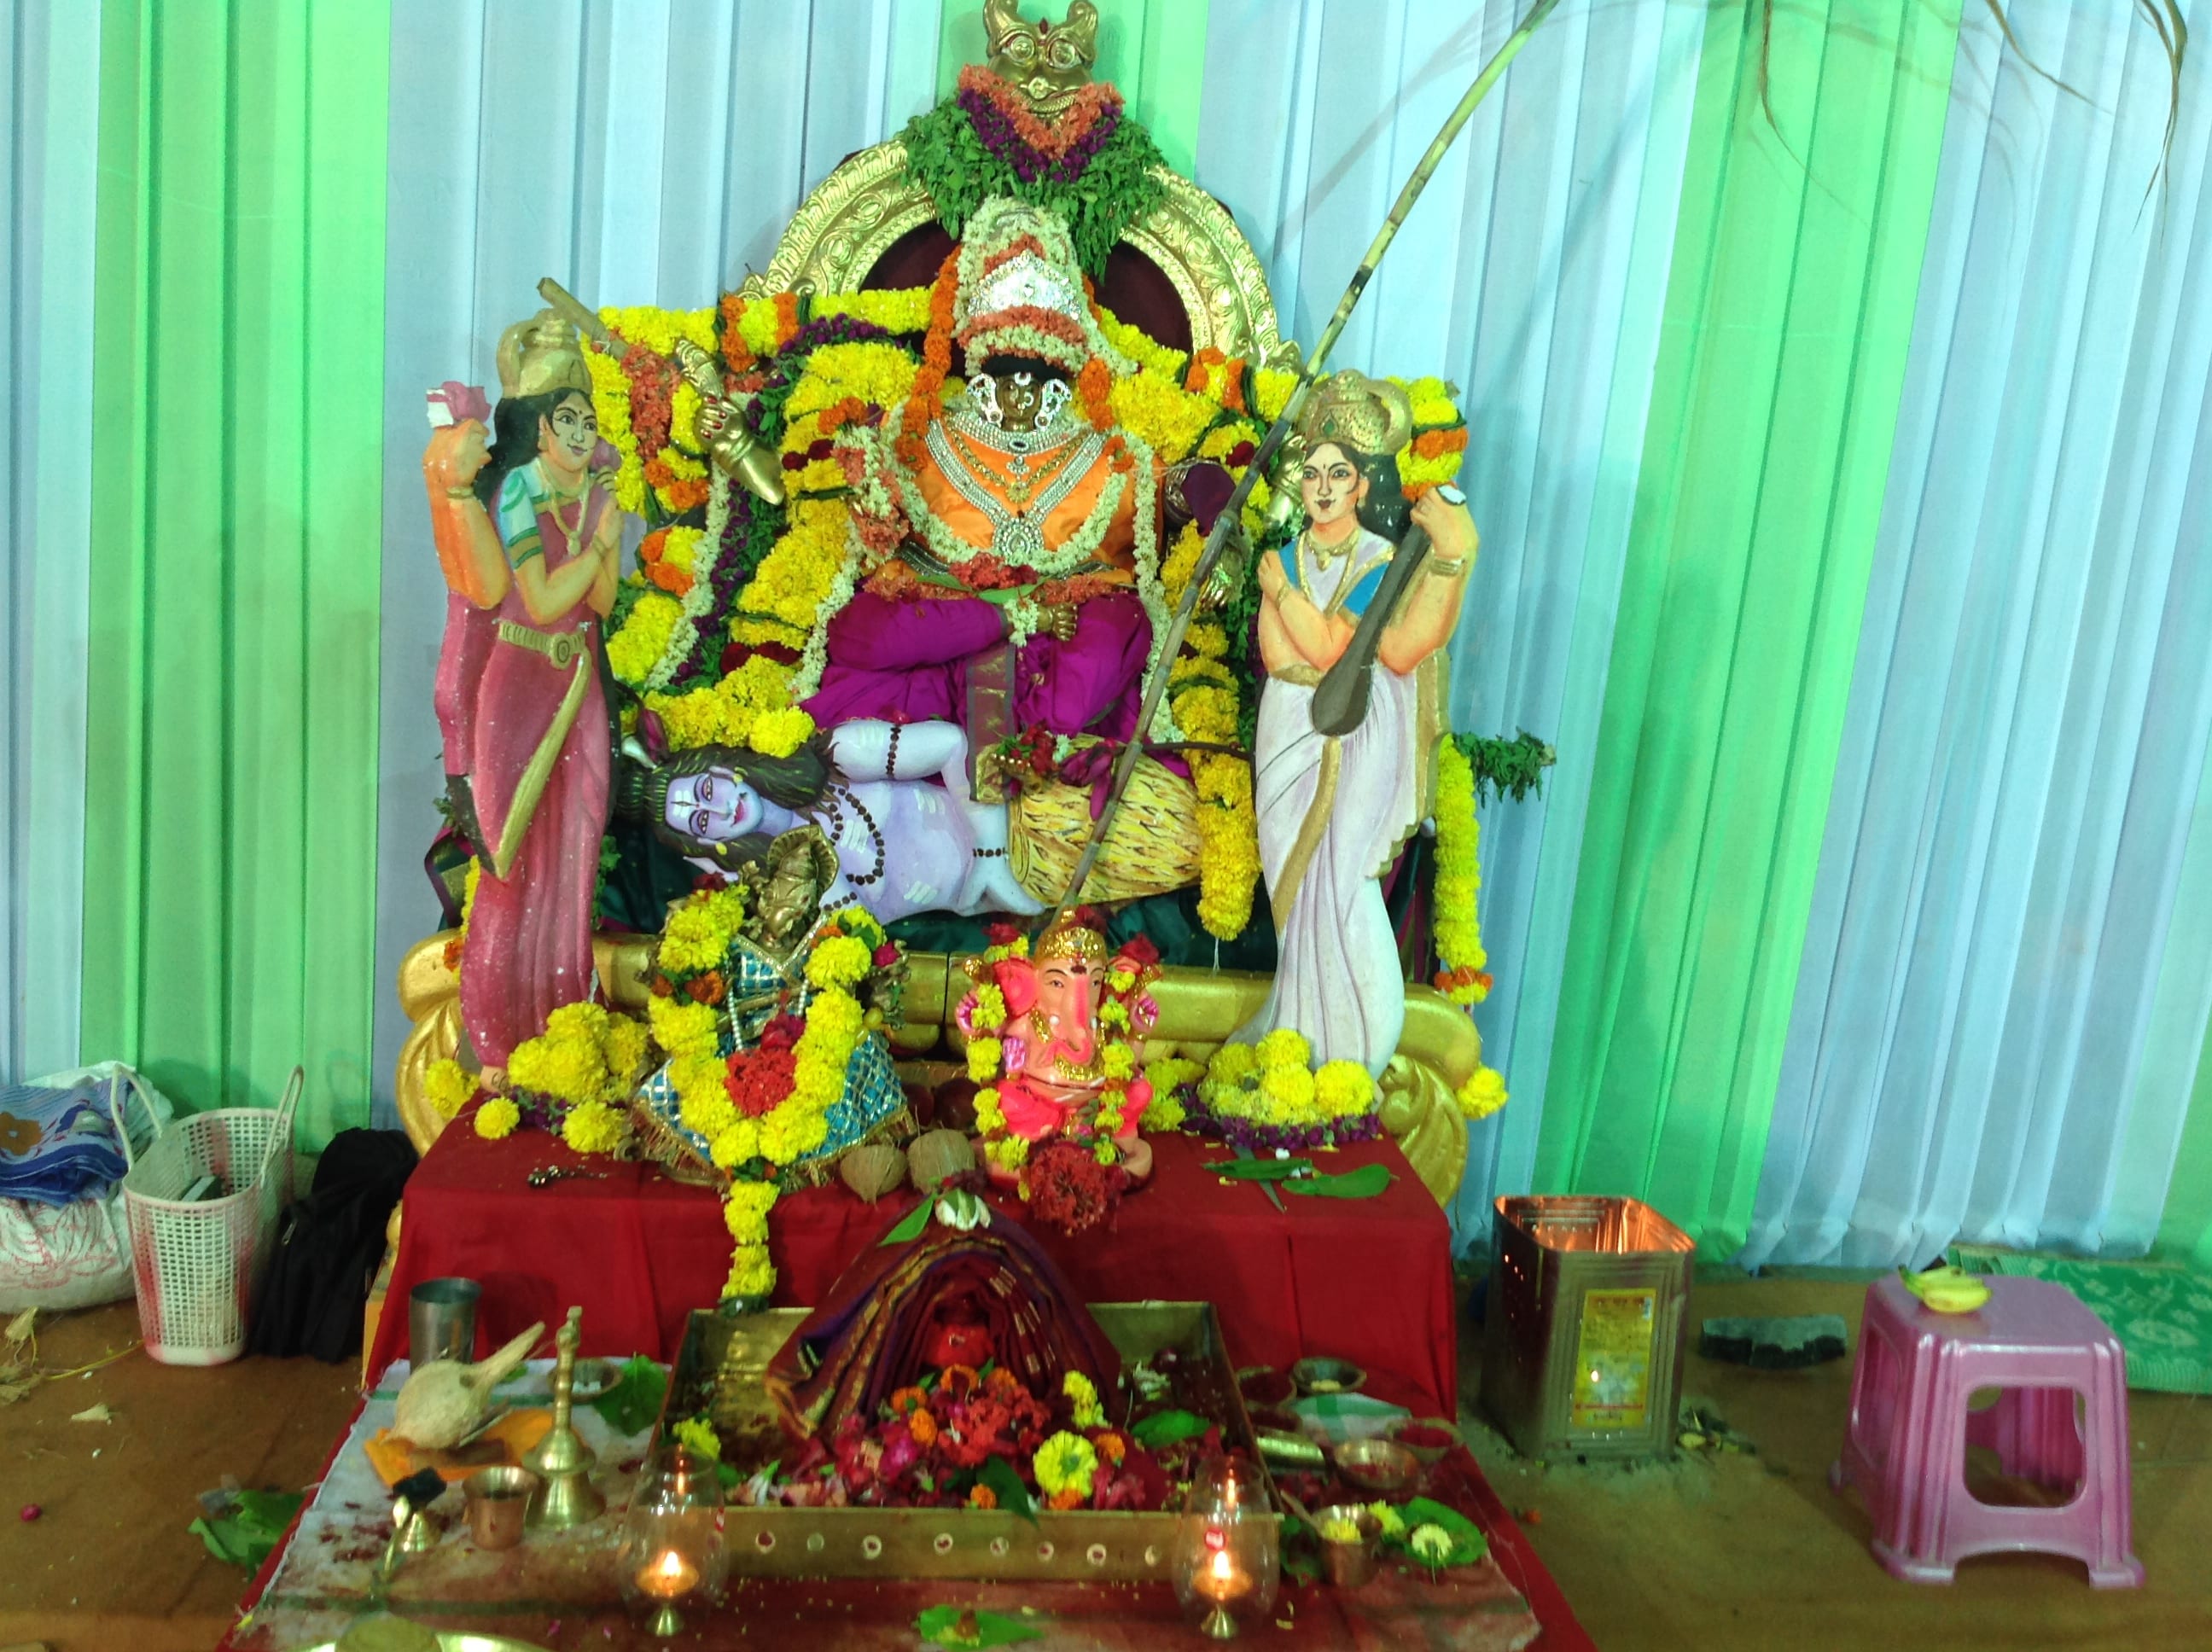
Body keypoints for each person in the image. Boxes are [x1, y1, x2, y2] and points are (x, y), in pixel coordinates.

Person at [803, 197, 1174, 774]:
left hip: (1065, 622)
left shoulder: (1107, 451)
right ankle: (972, 752)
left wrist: (1208, 501)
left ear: (1057, 384)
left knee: (1117, 631)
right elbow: (876, 561)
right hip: (943, 613)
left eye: (1035, 380)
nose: (1021, 395)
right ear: (982, 377)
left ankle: (1033, 751)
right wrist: (870, 492)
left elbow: (1164, 502)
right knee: (868, 635)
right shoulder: (919, 433)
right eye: (1007, 379)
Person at [1239, 372, 1476, 1075]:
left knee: (1343, 885)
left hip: (1351, 738)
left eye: (1338, 474)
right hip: (1286, 730)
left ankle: (1356, 1053)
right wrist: (1292, 612)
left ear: (1362, 483)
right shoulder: (1288, 554)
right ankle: (1295, 1035)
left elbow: (1339, 652)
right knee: (1290, 892)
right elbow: (1280, 654)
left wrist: (1283, 595)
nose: (1322, 488)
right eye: (1312, 473)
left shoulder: (1378, 562)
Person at [422, 310, 623, 1068]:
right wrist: (598, 547)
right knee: (511, 867)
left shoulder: (598, 498)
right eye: (566, 419)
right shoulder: (514, 495)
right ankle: (499, 1043)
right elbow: (539, 601)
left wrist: (600, 544)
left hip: (579, 689)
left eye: (588, 420)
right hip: (519, 689)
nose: (580, 433)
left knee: (575, 859)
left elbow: (600, 602)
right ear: (539, 428)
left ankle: (565, 1029)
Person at [618, 718, 1041, 923]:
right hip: (1028, 897)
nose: (721, 811)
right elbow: (858, 942)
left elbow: (951, 744)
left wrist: (990, 854)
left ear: (722, 769)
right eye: (701, 823)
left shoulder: (837, 755)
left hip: (1027, 817)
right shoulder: (790, 885)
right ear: (706, 845)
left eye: (708, 791)